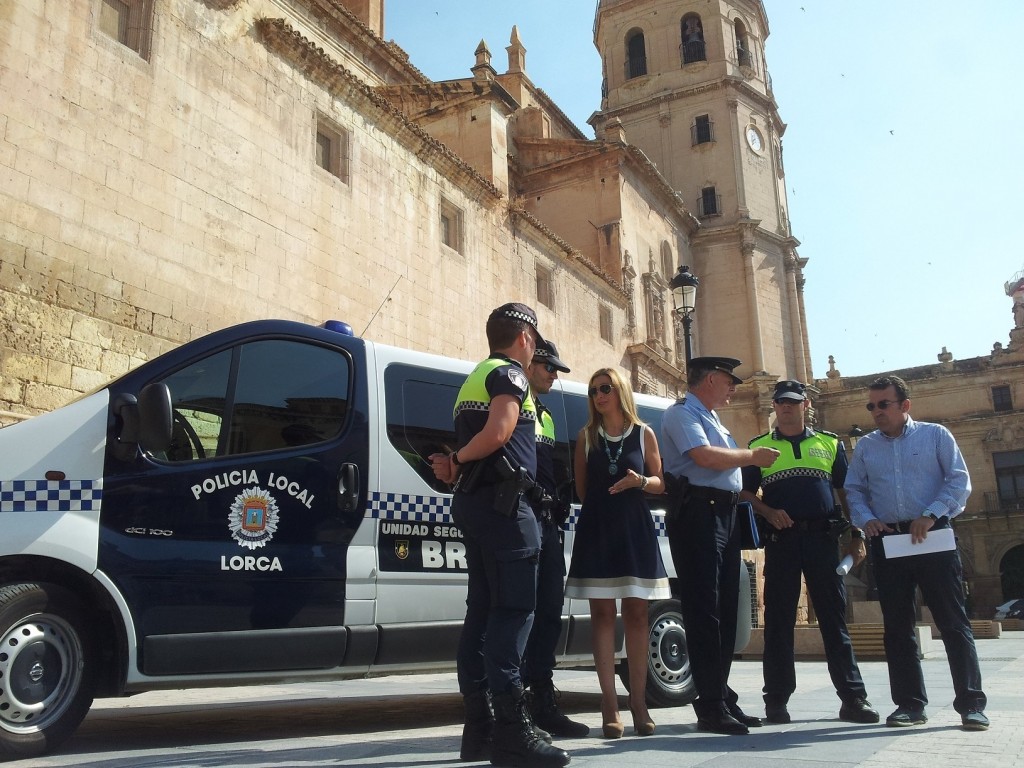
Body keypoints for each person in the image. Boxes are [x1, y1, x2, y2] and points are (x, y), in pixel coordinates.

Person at [430, 303, 570, 767]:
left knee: (483, 614)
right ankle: (513, 733)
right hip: (508, 508)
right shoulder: (509, 376)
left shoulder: (476, 375)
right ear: (527, 338)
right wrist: (459, 460)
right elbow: (501, 430)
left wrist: (457, 462)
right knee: (513, 612)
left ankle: (482, 730)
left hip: (481, 506)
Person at [845, 375, 989, 732]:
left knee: (953, 622)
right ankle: (910, 705)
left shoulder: (936, 435)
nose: (876, 411)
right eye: (871, 406)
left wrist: (931, 514)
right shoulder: (865, 446)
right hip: (889, 540)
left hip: (933, 536)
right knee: (897, 628)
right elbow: (854, 490)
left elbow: (958, 481)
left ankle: (971, 704)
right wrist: (867, 520)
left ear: (905, 405)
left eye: (883, 404)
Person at [740, 379, 878, 725]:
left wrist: (857, 534)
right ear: (774, 406)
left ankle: (853, 699)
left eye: (793, 402)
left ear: (805, 406)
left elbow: (848, 494)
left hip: (822, 541)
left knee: (834, 621)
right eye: (781, 402)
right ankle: (776, 701)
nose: (786, 407)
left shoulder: (829, 444)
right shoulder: (758, 447)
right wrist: (768, 511)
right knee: (778, 623)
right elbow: (743, 493)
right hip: (781, 542)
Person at [660, 356, 780, 735]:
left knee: (727, 608)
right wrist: (752, 457)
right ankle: (709, 703)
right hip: (698, 514)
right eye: (729, 381)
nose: (733, 388)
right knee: (704, 609)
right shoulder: (681, 414)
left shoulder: (710, 417)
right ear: (710, 379)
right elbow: (705, 458)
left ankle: (720, 693)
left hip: (724, 515)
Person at [564, 367, 670, 739]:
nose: (599, 395)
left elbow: (660, 482)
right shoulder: (585, 437)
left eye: (605, 388)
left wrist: (638, 481)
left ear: (620, 390)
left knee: (638, 613)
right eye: (593, 390)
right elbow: (582, 488)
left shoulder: (644, 433)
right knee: (602, 614)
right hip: (598, 529)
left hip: (635, 528)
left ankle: (638, 703)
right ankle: (609, 704)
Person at [522, 341, 590, 739]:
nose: (553, 374)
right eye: (548, 366)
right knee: (519, 614)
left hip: (548, 527)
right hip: (520, 522)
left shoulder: (545, 416)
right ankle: (513, 706)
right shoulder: (514, 404)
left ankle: (543, 702)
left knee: (548, 614)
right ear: (530, 364)